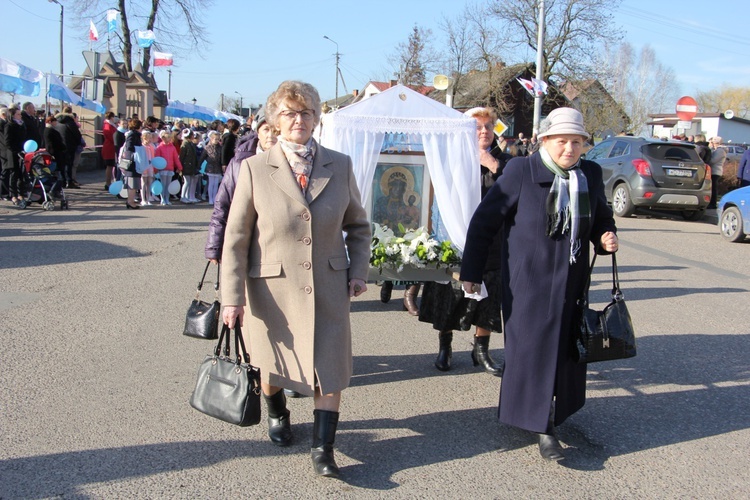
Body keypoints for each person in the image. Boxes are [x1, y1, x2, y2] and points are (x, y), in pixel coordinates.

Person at [221, 80, 370, 478]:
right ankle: (276, 410)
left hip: (328, 287)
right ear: (274, 119)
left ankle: (324, 450)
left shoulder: (340, 166)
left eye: (305, 113)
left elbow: (358, 225)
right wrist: (231, 299)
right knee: (271, 370)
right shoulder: (254, 168)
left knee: (330, 368)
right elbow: (235, 241)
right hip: (271, 291)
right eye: (288, 113)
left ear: (317, 118)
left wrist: (358, 271)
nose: (297, 120)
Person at [460, 107, 618, 462]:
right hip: (528, 283)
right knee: (532, 352)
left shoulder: (589, 174)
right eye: (562, 141)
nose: (570, 149)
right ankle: (542, 425)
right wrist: (470, 270)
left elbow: (601, 216)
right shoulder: (521, 170)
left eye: (577, 142)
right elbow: (484, 222)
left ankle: (553, 410)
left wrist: (606, 235)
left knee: (564, 351)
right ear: (545, 140)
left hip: (572, 282)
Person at [418, 107, 512, 375]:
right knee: (450, 297)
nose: (483, 131)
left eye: (488, 127)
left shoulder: (506, 161)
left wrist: (492, 165)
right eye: (477, 127)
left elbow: (518, 192)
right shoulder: (450, 158)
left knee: (489, 300)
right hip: (456, 240)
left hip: (493, 243)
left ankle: (481, 349)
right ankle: (445, 347)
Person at [3, 105, 27, 206]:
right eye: (18, 114)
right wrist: (16, 151)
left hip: (22, 152)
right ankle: (13, 195)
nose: (20, 116)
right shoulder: (9, 125)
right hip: (13, 154)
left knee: (21, 175)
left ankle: (21, 194)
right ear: (13, 116)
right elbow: (7, 141)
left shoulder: (22, 125)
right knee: (14, 175)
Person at [54, 106, 83, 189]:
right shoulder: (70, 122)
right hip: (69, 145)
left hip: (59, 146)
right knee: (69, 164)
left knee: (62, 164)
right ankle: (69, 181)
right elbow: (77, 134)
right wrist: (78, 143)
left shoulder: (57, 121)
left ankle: (63, 181)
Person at [120, 118, 143, 209]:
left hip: (133, 161)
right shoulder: (133, 135)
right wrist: (137, 150)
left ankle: (130, 200)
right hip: (132, 162)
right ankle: (130, 201)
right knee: (132, 183)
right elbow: (129, 146)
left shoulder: (134, 134)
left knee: (133, 183)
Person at [154, 130, 182, 205]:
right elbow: (157, 159)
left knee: (168, 185)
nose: (169, 139)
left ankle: (167, 198)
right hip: (162, 169)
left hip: (170, 168)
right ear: (163, 138)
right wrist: (156, 169)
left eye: (170, 137)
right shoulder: (159, 147)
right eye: (167, 137)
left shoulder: (172, 147)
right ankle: (162, 199)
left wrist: (179, 167)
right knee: (163, 184)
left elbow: (176, 158)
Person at [199, 130, 222, 204]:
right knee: (211, 184)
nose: (217, 141)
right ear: (211, 139)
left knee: (216, 184)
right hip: (210, 167)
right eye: (215, 139)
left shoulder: (220, 147)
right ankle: (210, 199)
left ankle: (214, 198)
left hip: (218, 167)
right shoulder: (207, 147)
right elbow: (202, 157)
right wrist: (198, 165)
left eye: (218, 139)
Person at [179, 129, 200, 203]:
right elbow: (181, 157)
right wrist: (180, 167)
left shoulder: (190, 144)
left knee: (189, 182)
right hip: (186, 166)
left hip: (191, 166)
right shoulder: (185, 144)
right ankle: (183, 196)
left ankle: (187, 196)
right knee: (187, 182)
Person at [708, 137, 726, 209]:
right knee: (712, 187)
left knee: (714, 188)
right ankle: (712, 203)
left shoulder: (720, 151)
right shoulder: (717, 150)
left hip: (716, 171)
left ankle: (713, 203)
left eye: (712, 142)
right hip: (714, 170)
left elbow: (713, 161)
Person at [101, 112, 118, 190]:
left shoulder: (110, 125)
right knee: (109, 166)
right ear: (111, 117)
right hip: (109, 147)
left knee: (111, 166)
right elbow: (111, 137)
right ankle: (108, 183)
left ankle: (109, 182)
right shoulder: (107, 126)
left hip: (111, 147)